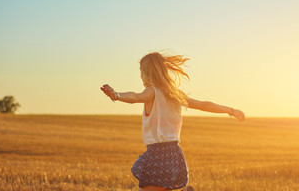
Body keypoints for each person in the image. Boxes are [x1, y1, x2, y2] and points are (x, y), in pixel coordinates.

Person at [100, 52, 245, 191]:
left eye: (141, 71)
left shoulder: (152, 92)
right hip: (174, 154)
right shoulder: (175, 95)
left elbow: (135, 97)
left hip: (157, 155)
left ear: (148, 73)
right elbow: (203, 105)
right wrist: (230, 110)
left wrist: (116, 95)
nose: (141, 76)